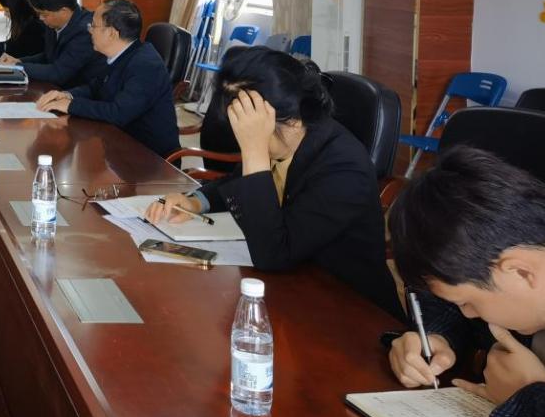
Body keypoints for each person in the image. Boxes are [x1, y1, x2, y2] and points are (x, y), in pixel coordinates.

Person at [145, 47, 400, 317]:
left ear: (289, 118)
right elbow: (240, 180)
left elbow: (273, 254)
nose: (239, 133)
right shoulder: (286, 140)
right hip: (292, 288)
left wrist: (253, 150)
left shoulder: (344, 169)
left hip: (349, 310)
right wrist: (196, 202)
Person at [386, 148, 545, 417]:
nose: (467, 313)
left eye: (468, 304)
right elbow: (444, 298)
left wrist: (525, 398)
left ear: (520, 272)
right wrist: (438, 337)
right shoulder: (514, 267)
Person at [35, 0, 179, 159]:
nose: (89, 30)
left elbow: (118, 113)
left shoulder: (146, 65)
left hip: (151, 159)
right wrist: (67, 95)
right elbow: (94, 88)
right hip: (120, 145)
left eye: (93, 25)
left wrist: (70, 106)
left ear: (111, 33)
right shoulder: (119, 54)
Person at [0, 0, 105, 88]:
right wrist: (18, 61)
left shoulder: (85, 31)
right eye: (39, 14)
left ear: (63, 11)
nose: (41, 18)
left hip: (80, 92)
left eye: (44, 14)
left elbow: (58, 73)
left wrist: (17, 66)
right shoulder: (53, 23)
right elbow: (48, 56)